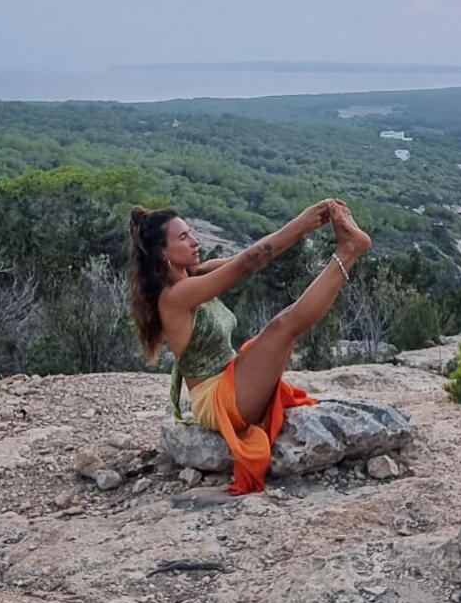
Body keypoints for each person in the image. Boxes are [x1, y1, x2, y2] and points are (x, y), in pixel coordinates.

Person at [128, 199, 371, 495]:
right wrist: (302, 223)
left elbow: (255, 255)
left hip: (232, 381)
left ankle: (348, 249)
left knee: (275, 332)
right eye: (183, 237)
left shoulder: (195, 275)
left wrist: (306, 227)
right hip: (218, 400)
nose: (195, 242)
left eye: (190, 233)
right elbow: (247, 263)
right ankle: (349, 252)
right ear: (162, 253)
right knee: (281, 326)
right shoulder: (174, 297)